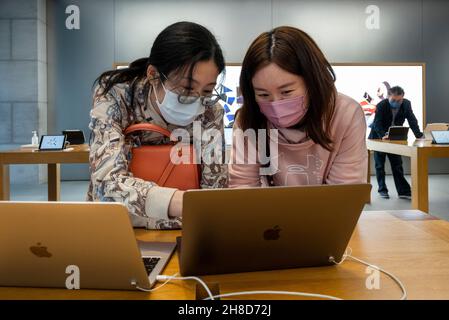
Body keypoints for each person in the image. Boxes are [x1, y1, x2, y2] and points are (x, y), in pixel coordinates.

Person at [87, 22, 227, 229]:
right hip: (117, 229)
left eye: (207, 91)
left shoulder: (210, 112)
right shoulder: (117, 95)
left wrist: (141, 209)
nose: (197, 100)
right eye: (187, 89)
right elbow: (108, 183)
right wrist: (183, 204)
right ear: (153, 75)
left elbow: (214, 194)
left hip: (186, 229)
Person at [228, 26, 368, 188]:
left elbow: (344, 191)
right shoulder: (248, 119)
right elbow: (243, 187)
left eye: (286, 91)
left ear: (312, 81)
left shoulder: (346, 115)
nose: (275, 104)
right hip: (265, 212)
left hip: (327, 212)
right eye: (263, 95)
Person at [368, 86, 424, 199]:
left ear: (403, 97)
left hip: (395, 138)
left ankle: (403, 191)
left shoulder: (406, 104)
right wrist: (383, 135)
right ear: (388, 97)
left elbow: (412, 120)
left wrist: (419, 135)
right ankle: (382, 190)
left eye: (399, 100)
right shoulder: (381, 105)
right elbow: (377, 123)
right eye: (393, 100)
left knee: (397, 165)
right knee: (379, 165)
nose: (396, 102)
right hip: (378, 137)